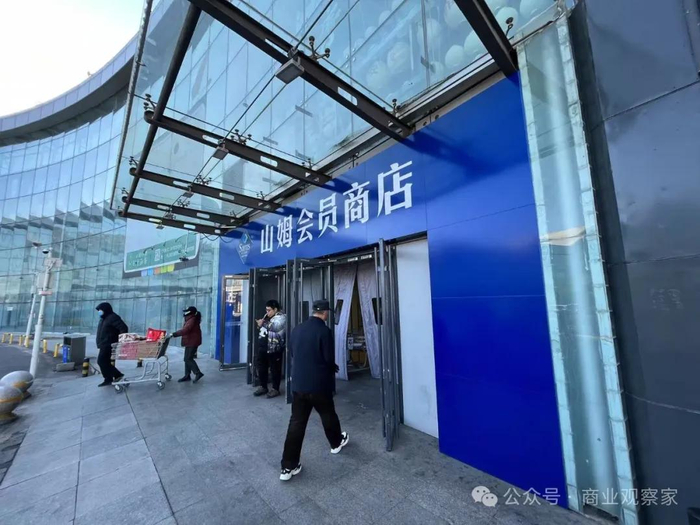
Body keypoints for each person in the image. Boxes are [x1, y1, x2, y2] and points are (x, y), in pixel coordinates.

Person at [280, 299, 349, 481]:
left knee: (296, 424)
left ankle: (288, 466)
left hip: (299, 385)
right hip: (318, 385)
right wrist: (332, 368)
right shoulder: (324, 331)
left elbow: (293, 353)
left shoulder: (297, 329)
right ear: (325, 313)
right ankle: (336, 443)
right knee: (327, 414)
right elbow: (328, 358)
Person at [254, 300, 286, 398]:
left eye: (269, 310)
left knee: (275, 369)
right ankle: (263, 386)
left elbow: (275, 327)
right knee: (261, 367)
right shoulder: (266, 316)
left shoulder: (281, 317)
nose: (267, 312)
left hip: (274, 348)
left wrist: (262, 323)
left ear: (275, 309)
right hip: (263, 347)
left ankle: (275, 389)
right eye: (266, 310)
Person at [95, 302, 128, 387]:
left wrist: (120, 340)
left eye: (100, 310)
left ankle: (115, 376)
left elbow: (123, 328)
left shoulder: (112, 317)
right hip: (103, 344)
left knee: (101, 361)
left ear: (105, 309)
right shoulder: (103, 318)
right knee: (104, 362)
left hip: (109, 344)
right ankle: (110, 378)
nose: (99, 311)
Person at [172, 306, 204, 383]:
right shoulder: (190, 319)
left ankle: (198, 373)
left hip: (192, 341)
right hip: (190, 341)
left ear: (190, 312)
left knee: (188, 359)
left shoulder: (192, 320)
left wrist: (174, 334)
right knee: (187, 358)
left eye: (187, 311)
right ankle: (187, 375)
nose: (185, 313)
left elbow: (185, 330)